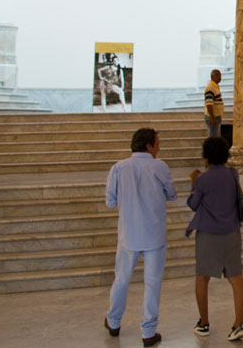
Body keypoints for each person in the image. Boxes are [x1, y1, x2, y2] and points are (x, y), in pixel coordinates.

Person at [104, 128, 177, 347]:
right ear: (148, 146)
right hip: (154, 234)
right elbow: (172, 194)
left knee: (121, 279)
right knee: (153, 283)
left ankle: (113, 321)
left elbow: (110, 200)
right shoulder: (160, 166)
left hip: (128, 234)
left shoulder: (118, 168)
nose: (159, 147)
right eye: (157, 143)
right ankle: (148, 331)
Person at [186, 136, 243, 341]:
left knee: (202, 277)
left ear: (207, 157)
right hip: (231, 233)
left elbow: (194, 205)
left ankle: (204, 323)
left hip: (208, 235)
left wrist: (194, 183)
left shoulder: (203, 179)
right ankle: (239, 323)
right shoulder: (232, 174)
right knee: (236, 278)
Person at [204, 69, 224, 139]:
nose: (219, 77)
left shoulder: (215, 86)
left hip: (216, 116)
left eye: (220, 75)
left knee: (216, 137)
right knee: (213, 138)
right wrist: (212, 118)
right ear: (212, 76)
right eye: (217, 75)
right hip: (212, 116)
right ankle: (212, 150)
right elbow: (209, 104)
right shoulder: (210, 88)